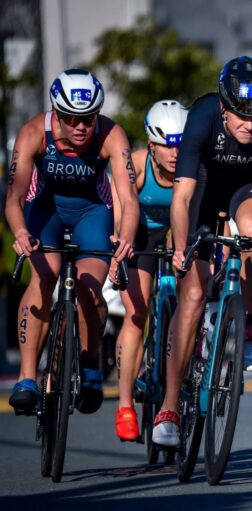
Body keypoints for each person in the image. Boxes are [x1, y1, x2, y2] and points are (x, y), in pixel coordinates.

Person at [152, 56, 252, 446]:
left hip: (250, 185)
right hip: (205, 186)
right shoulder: (203, 116)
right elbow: (182, 197)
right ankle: (169, 405)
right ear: (223, 107)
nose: (251, 125)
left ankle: (247, 320)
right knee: (192, 294)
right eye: (242, 116)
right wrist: (181, 249)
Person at [6, 68, 138, 415]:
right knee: (45, 275)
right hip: (45, 211)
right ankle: (27, 377)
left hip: (91, 213)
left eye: (89, 118)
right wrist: (20, 232)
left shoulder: (111, 135)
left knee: (89, 288)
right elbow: (14, 197)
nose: (81, 127)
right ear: (56, 114)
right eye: (71, 119)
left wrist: (125, 239)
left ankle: (90, 360)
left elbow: (129, 199)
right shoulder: (33, 132)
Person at [110, 100, 188, 441]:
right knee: (136, 315)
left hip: (175, 232)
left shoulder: (192, 166)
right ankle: (125, 405)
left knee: (189, 305)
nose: (175, 154)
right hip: (138, 234)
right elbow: (120, 209)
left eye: (180, 145)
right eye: (167, 146)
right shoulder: (138, 164)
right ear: (151, 144)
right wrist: (119, 247)